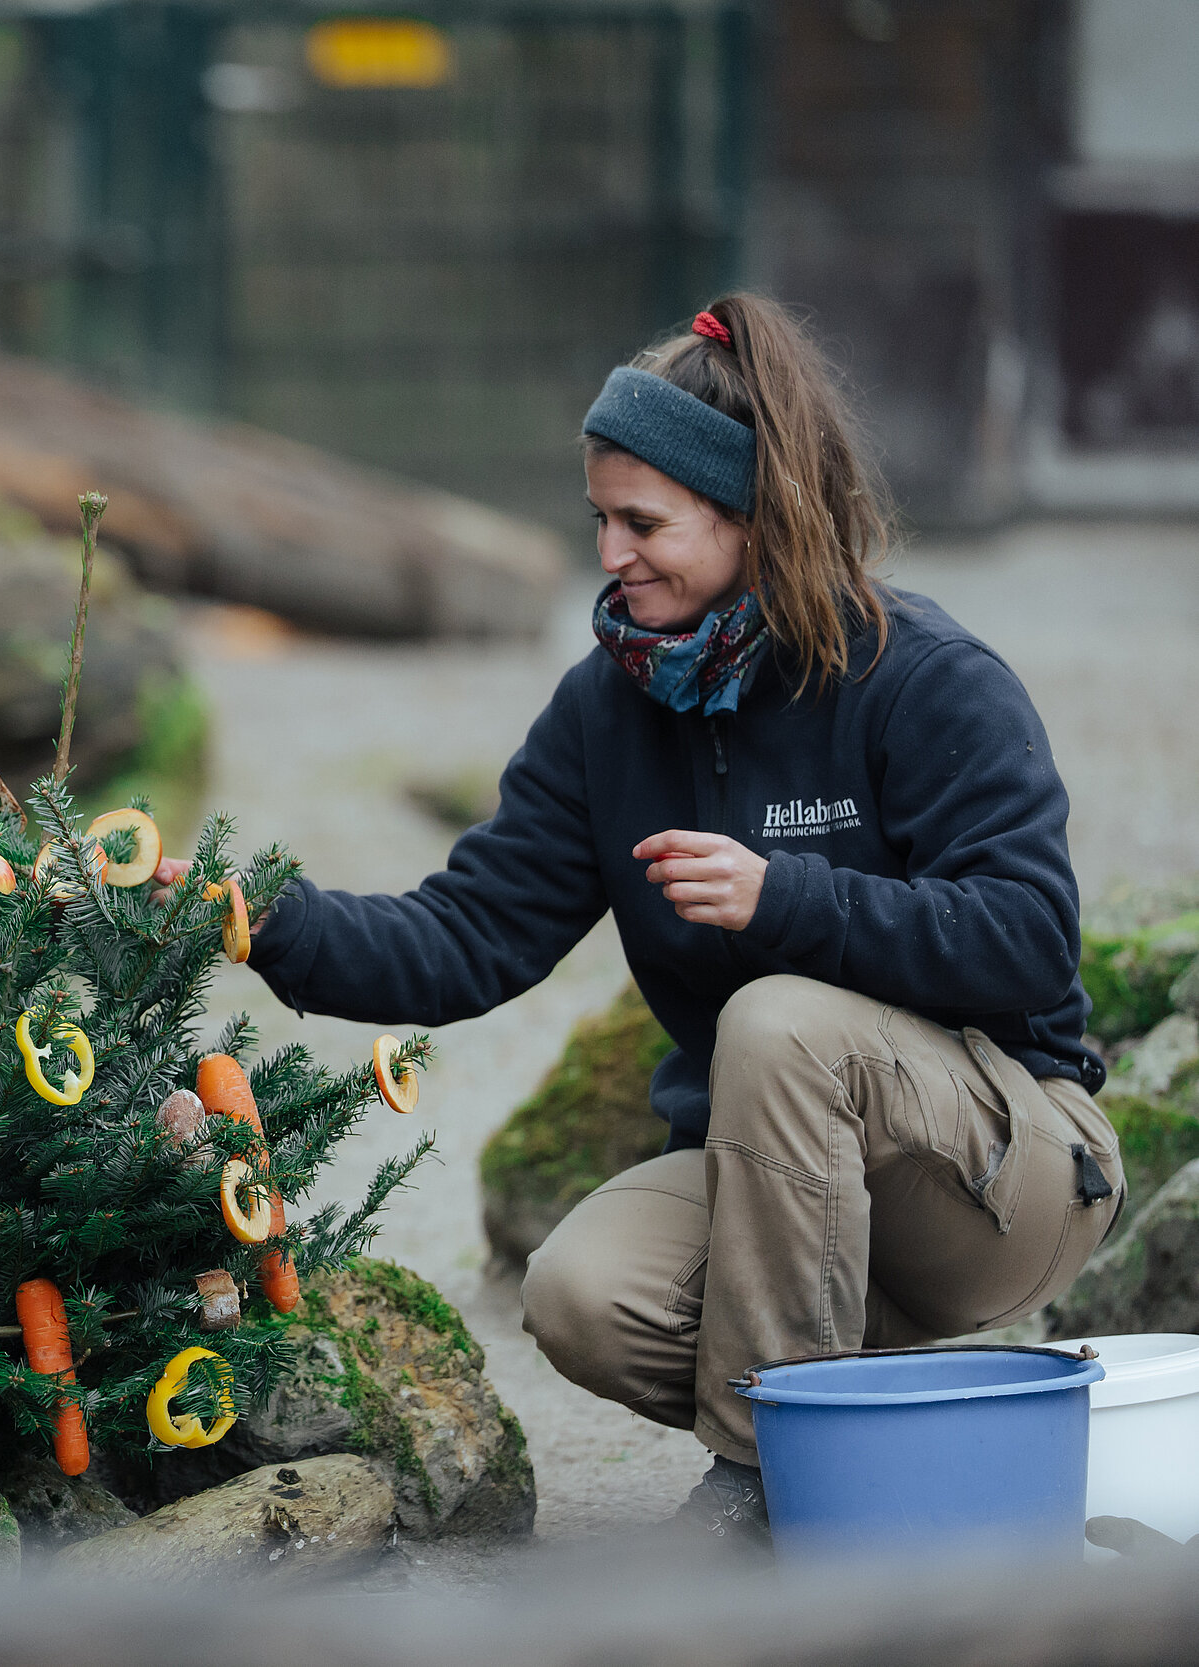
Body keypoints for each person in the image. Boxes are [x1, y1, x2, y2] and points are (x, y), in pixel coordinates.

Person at [180, 294, 1124, 1549]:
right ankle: (857, 1415)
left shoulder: (919, 676)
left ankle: (771, 1485)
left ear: (752, 518)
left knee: (781, 1019)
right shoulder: (609, 710)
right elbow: (467, 933)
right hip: (802, 1191)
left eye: (645, 523)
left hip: (1010, 1168)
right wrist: (246, 918)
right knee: (580, 1292)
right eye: (599, 521)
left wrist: (784, 896)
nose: (611, 553)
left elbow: (1026, 937)